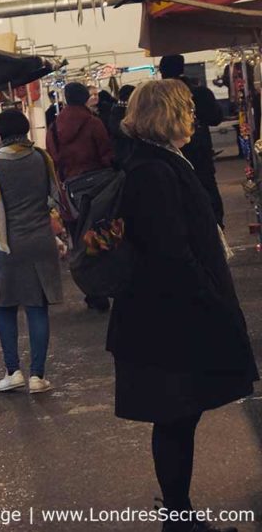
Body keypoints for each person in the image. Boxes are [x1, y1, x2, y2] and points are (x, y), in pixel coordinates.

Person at [113, 81, 257, 531]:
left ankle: (180, 514)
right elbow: (171, 252)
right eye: (189, 110)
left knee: (179, 416)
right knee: (175, 416)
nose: (195, 117)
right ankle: (178, 517)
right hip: (169, 322)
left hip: (165, 318)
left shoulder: (156, 162)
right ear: (169, 115)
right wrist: (210, 297)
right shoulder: (152, 170)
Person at [0, 109, 64, 395]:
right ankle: (37, 376)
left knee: (6, 307)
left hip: (3, 245)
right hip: (39, 242)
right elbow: (54, 195)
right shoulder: (40, 158)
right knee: (37, 307)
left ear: (1, 132)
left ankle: (13, 373)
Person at [46, 81, 114, 311]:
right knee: (101, 239)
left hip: (70, 195)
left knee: (78, 242)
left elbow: (53, 160)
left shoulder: (54, 128)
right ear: (86, 98)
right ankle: (106, 286)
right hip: (98, 191)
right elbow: (106, 155)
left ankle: (91, 291)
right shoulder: (94, 123)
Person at [160, 54, 225, 225]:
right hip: (200, 151)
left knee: (178, 194)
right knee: (207, 188)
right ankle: (216, 225)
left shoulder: (158, 97)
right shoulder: (199, 92)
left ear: (161, 71)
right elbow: (216, 118)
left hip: (170, 154)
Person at [107, 84, 136, 167]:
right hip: (126, 156)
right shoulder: (121, 112)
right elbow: (120, 132)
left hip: (124, 155)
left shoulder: (115, 111)